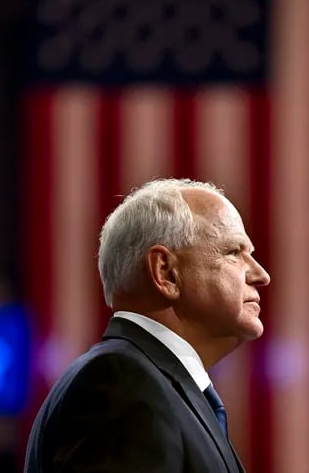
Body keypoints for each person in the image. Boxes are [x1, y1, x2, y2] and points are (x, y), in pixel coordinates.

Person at [23, 177, 271, 473]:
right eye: (233, 252)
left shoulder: (153, 385)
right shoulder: (124, 383)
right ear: (165, 272)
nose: (260, 274)